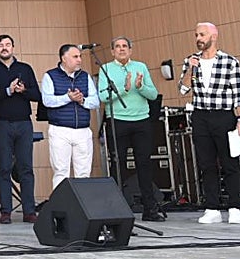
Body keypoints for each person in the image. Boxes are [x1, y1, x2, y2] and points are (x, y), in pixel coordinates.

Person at [182, 22, 240, 224]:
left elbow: (239, 92)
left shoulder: (229, 61)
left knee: (230, 162)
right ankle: (212, 208)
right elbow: (183, 89)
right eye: (196, 35)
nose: (198, 38)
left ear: (214, 36)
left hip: (223, 116)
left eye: (202, 34)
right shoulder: (191, 60)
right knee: (206, 164)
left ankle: (234, 207)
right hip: (200, 116)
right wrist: (190, 69)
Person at [98, 36, 164, 222]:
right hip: (118, 121)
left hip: (142, 121)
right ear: (112, 51)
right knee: (118, 165)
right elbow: (102, 97)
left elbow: (153, 94)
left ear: (130, 50)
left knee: (144, 164)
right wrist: (124, 89)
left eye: (125, 46)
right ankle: (117, 211)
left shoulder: (140, 67)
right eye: (117, 47)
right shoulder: (106, 69)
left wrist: (140, 87)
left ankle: (150, 209)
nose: (121, 49)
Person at [0, 34, 41, 224]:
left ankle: (29, 210)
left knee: (26, 168)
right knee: (4, 168)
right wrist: (8, 91)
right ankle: (6, 211)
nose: (4, 48)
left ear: (13, 47)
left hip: (24, 123)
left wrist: (23, 90)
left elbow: (37, 95)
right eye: (0, 45)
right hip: (1, 123)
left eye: (8, 44)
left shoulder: (25, 68)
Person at [41, 44, 100, 190]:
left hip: (83, 130)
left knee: (84, 172)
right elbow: (47, 100)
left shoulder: (85, 76)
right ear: (64, 58)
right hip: (60, 130)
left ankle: (83, 204)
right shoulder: (50, 76)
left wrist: (82, 100)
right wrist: (68, 98)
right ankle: (61, 204)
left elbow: (95, 101)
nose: (79, 60)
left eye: (80, 56)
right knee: (61, 172)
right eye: (75, 57)